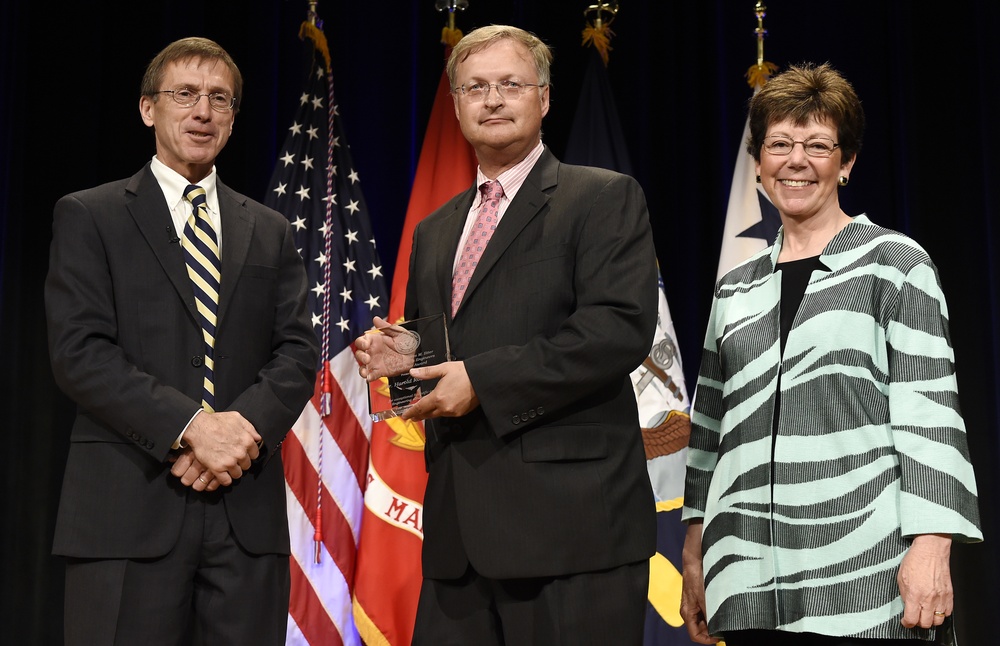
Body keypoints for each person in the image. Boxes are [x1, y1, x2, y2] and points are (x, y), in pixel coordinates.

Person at [355, 24, 658, 646]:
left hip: (570, 534)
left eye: (509, 84)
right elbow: (441, 361)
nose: (492, 99)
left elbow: (616, 330)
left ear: (543, 99)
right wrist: (402, 360)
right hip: (457, 541)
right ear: (457, 105)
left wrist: (482, 381)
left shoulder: (601, 198)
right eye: (475, 87)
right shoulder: (436, 230)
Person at [679, 62, 982, 646]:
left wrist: (932, 545)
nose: (797, 160)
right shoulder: (734, 288)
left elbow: (931, 416)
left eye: (818, 145)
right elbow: (708, 431)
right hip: (746, 582)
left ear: (845, 164)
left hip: (863, 583)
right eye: (780, 144)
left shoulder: (894, 263)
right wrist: (696, 552)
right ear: (760, 164)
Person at [44, 37, 319, 644]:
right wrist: (193, 427)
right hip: (126, 511)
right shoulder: (90, 216)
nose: (202, 111)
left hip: (244, 517)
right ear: (149, 109)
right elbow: (80, 353)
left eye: (219, 99)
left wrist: (238, 432)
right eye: (185, 95)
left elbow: (299, 351)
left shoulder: (268, 229)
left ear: (232, 117)